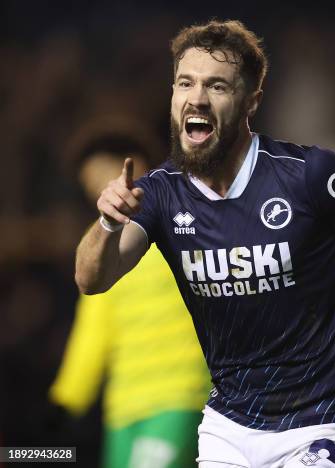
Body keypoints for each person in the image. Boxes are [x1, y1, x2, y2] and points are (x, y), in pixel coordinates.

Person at [74, 20, 335, 467]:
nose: (196, 98)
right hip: (229, 426)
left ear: (250, 100)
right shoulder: (160, 194)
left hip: (325, 417)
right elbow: (90, 278)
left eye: (216, 86)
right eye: (185, 83)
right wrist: (107, 222)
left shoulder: (309, 175)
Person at [50, 123, 212, 468]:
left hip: (180, 394)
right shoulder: (99, 249)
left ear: (133, 165)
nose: (97, 190)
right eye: (90, 186)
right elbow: (94, 330)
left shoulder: (186, 219)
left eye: (102, 177)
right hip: (123, 408)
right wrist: (68, 399)